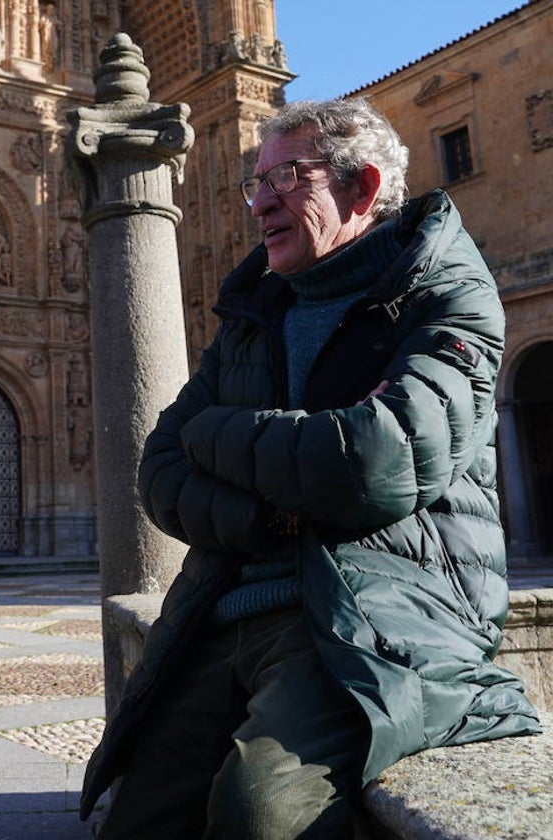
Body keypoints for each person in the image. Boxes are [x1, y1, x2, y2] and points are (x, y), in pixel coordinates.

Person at [79, 97, 541, 839]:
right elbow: (160, 470)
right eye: (253, 183)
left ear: (361, 188)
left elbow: (379, 461)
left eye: (286, 177)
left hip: (378, 610)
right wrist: (275, 511)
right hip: (229, 607)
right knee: (137, 817)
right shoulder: (255, 314)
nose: (259, 202)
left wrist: (220, 431)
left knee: (260, 815)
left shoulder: (442, 293)